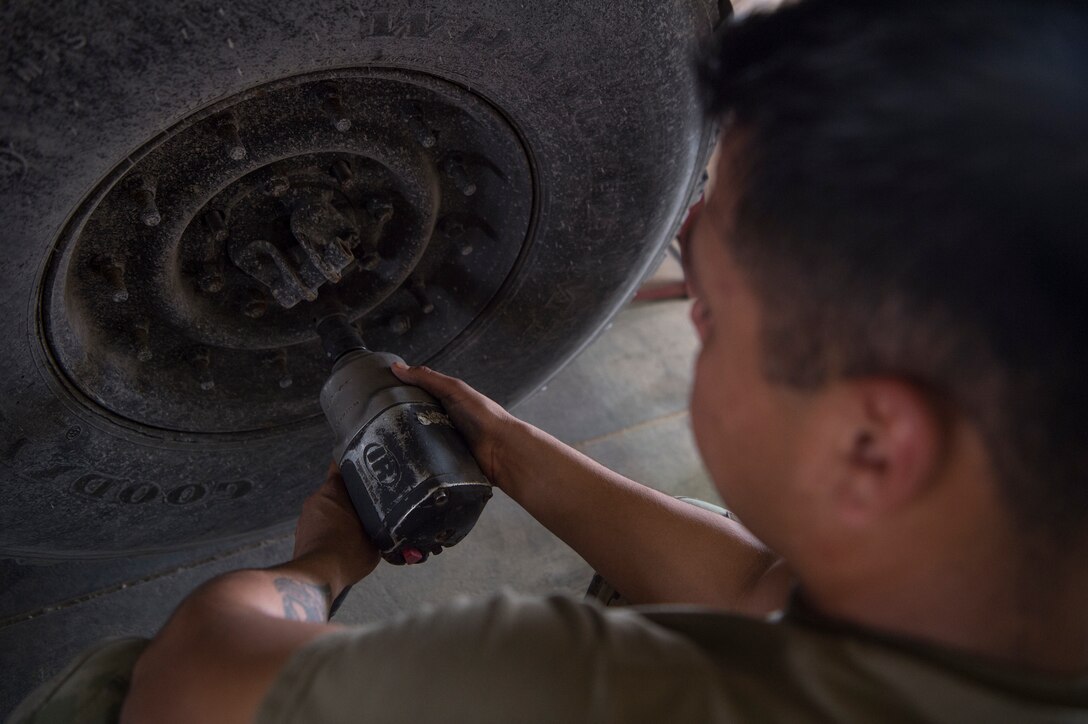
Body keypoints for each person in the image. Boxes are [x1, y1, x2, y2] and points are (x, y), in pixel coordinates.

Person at [20, 0, 1087, 721]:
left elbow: (197, 681)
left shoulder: (585, 688)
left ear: (872, 442)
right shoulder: (1000, 594)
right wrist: (510, 447)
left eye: (710, 317)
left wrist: (319, 568)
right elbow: (762, 583)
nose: (693, 318)